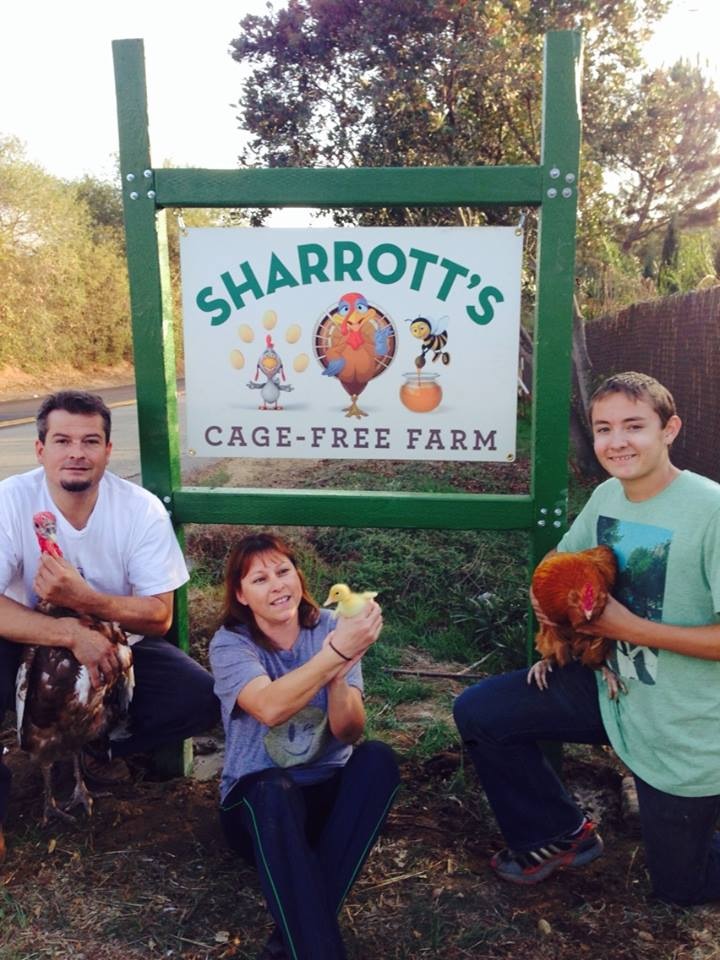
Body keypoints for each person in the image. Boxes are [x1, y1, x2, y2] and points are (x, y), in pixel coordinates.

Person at [453, 371, 720, 905]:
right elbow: (562, 557)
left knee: (680, 889)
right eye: (603, 428)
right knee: (482, 711)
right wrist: (548, 597)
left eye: (634, 426)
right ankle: (559, 834)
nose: (617, 441)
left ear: (669, 429)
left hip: (683, 721)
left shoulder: (710, 510)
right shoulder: (607, 496)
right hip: (610, 687)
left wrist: (627, 628)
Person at [0, 390, 219, 860]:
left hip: (119, 643)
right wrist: (71, 634)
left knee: (201, 697)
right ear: (40, 449)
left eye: (90, 441)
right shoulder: (10, 500)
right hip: (26, 635)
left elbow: (159, 615)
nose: (76, 453)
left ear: (108, 450)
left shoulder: (139, 509)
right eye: (62, 441)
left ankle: (94, 746)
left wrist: (86, 601)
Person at [210, 533, 400, 960]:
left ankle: (289, 941)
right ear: (240, 594)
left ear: (299, 576)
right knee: (272, 789)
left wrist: (338, 675)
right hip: (258, 810)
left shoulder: (332, 627)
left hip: (325, 799)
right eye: (259, 579)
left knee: (377, 759)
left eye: (283, 571)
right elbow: (269, 708)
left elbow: (349, 732)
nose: (277, 585)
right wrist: (335, 655)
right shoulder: (230, 643)